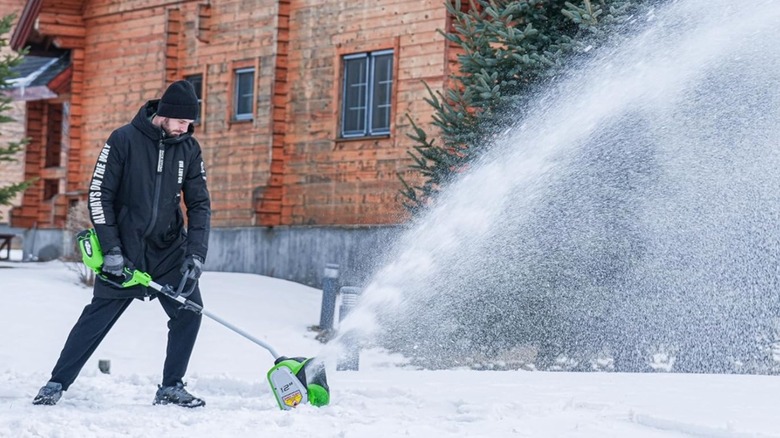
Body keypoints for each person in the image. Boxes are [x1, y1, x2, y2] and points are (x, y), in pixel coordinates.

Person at [32, 80, 211, 408]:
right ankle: (56, 382)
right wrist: (112, 250)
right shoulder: (123, 140)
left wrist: (196, 254)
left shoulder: (189, 148)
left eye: (190, 123)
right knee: (97, 317)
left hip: (169, 250)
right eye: (183, 122)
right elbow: (99, 194)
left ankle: (171, 386)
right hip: (125, 251)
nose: (187, 128)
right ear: (164, 115)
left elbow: (200, 204)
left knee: (190, 312)